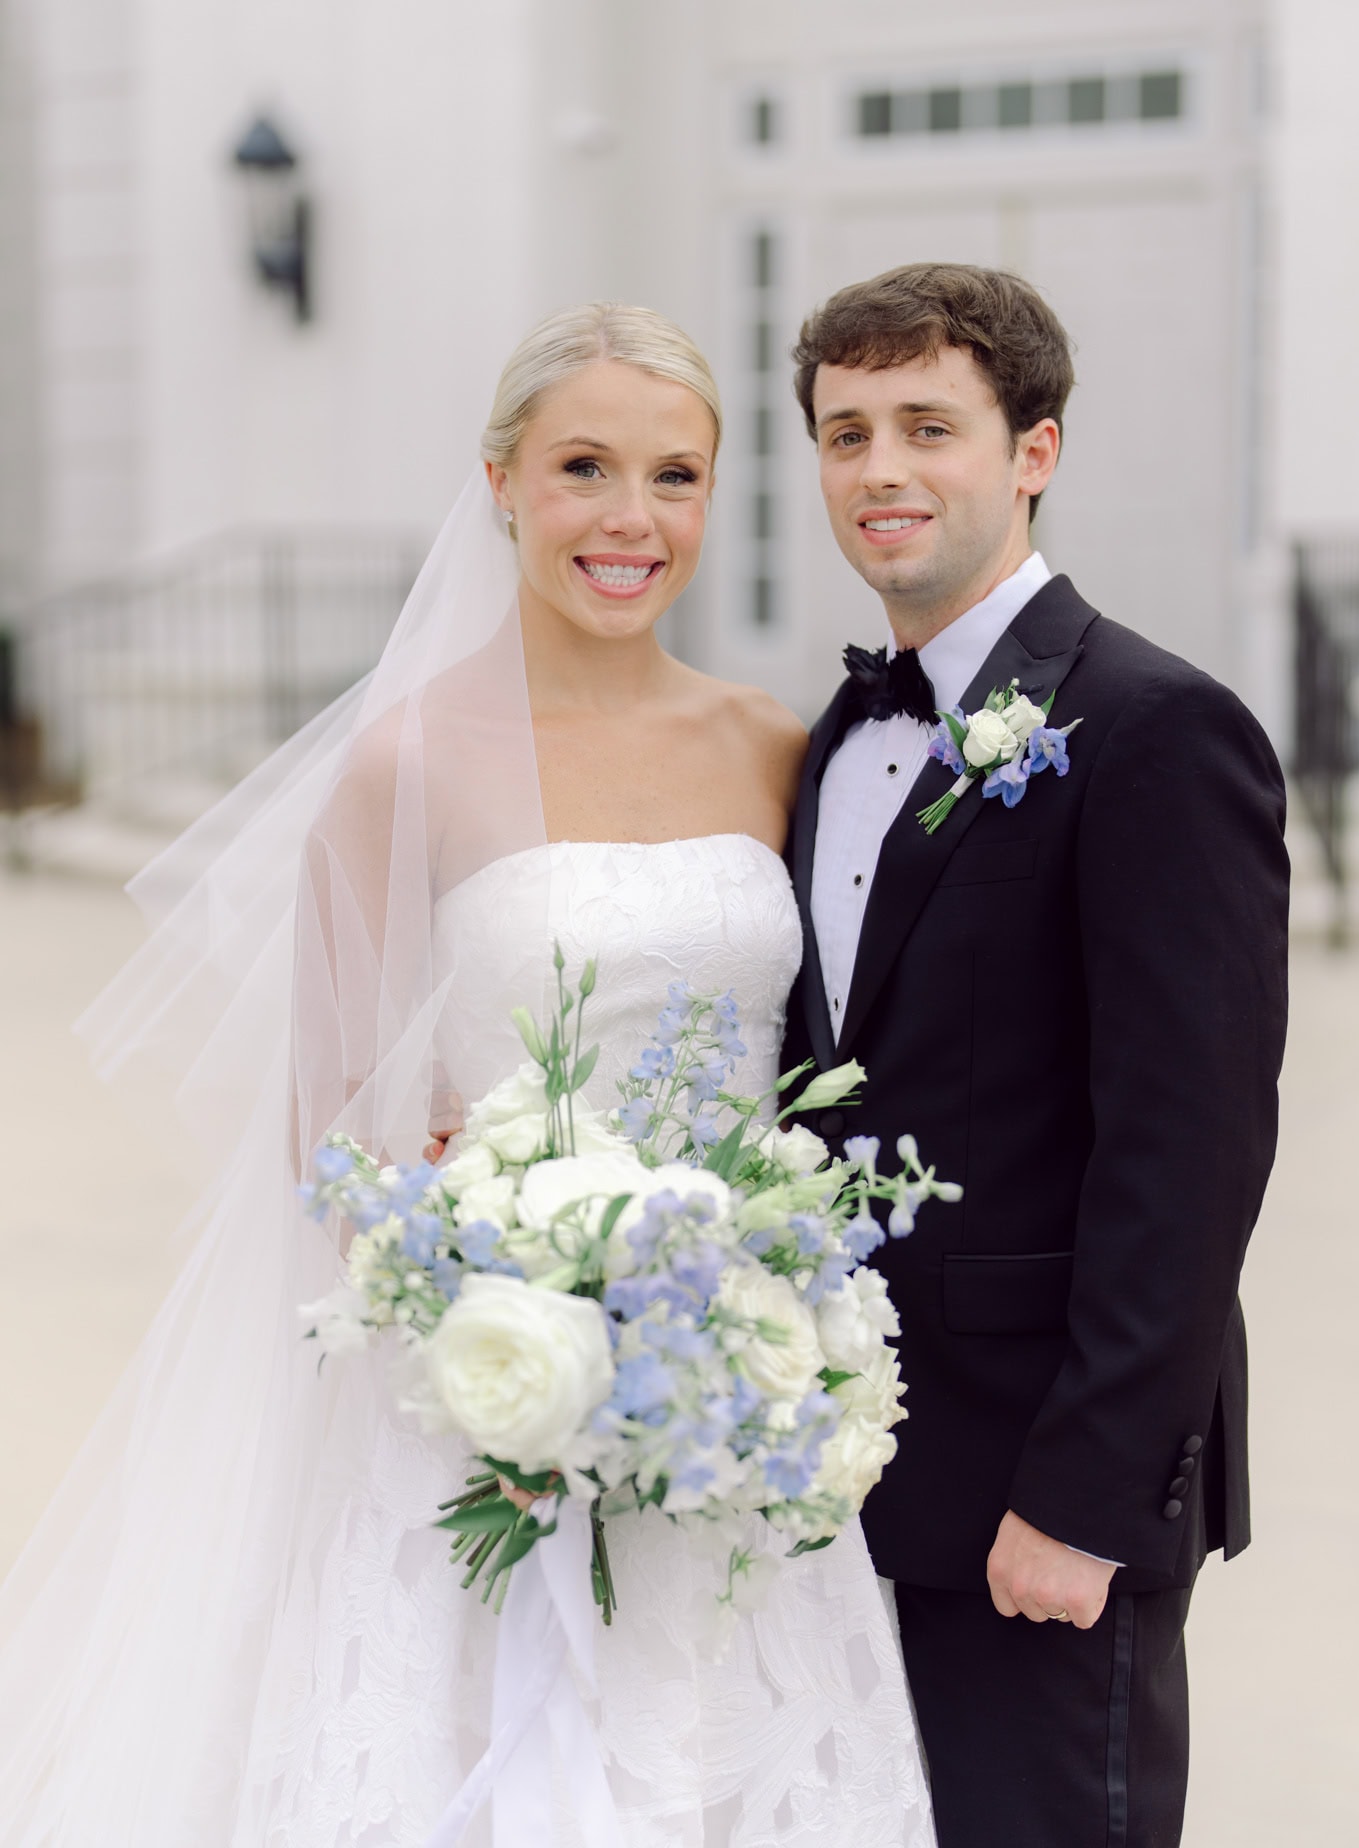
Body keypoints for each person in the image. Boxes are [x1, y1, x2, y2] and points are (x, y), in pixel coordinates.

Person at [0, 303, 933, 1846]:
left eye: (676, 476)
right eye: (583, 467)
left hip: (740, 1402)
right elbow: (337, 1145)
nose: (630, 519)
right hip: (491, 1411)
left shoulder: (777, 745)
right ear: (498, 482)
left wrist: (752, 1326)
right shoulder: (406, 765)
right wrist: (528, 1330)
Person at [782, 262, 1290, 1848]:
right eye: (844, 431)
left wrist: (1078, 1502)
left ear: (1033, 451)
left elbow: (1190, 1151)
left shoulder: (1153, 727)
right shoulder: (831, 742)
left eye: (927, 425)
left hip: (1036, 1500)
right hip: (832, 1484)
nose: (879, 470)